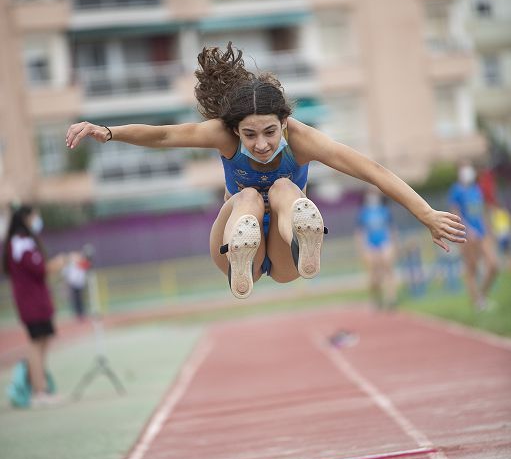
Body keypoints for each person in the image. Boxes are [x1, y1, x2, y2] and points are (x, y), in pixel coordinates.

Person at [66, 43, 466, 299]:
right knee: (249, 197)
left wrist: (426, 213)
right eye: (249, 134)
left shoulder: (303, 139)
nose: (260, 144)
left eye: (270, 132)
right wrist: (107, 132)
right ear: (234, 129)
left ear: (285, 122)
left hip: (285, 255)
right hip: (232, 252)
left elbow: (372, 170)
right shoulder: (223, 137)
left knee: (283, 190)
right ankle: (243, 248)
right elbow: (164, 136)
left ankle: (303, 237)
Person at [2, 205, 71, 406]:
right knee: (36, 343)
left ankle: (41, 389)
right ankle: (38, 392)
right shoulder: (20, 243)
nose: (37, 220)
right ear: (26, 218)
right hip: (30, 302)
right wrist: (62, 261)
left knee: (43, 341)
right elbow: (40, 269)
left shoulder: (24, 242)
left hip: (37, 300)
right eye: (34, 216)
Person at [448, 162, 499, 310]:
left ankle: (481, 295)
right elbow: (455, 213)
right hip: (467, 236)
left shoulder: (476, 189)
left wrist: (489, 230)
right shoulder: (456, 190)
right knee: (472, 268)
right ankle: (476, 301)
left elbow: (481, 212)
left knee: (494, 265)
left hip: (482, 233)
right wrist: (467, 230)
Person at [356, 188, 398, 309]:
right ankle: (375, 298)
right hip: (370, 244)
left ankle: (391, 298)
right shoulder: (363, 213)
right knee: (374, 274)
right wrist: (362, 249)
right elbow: (360, 232)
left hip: (384, 242)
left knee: (388, 269)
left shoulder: (385, 211)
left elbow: (391, 229)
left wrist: (394, 244)